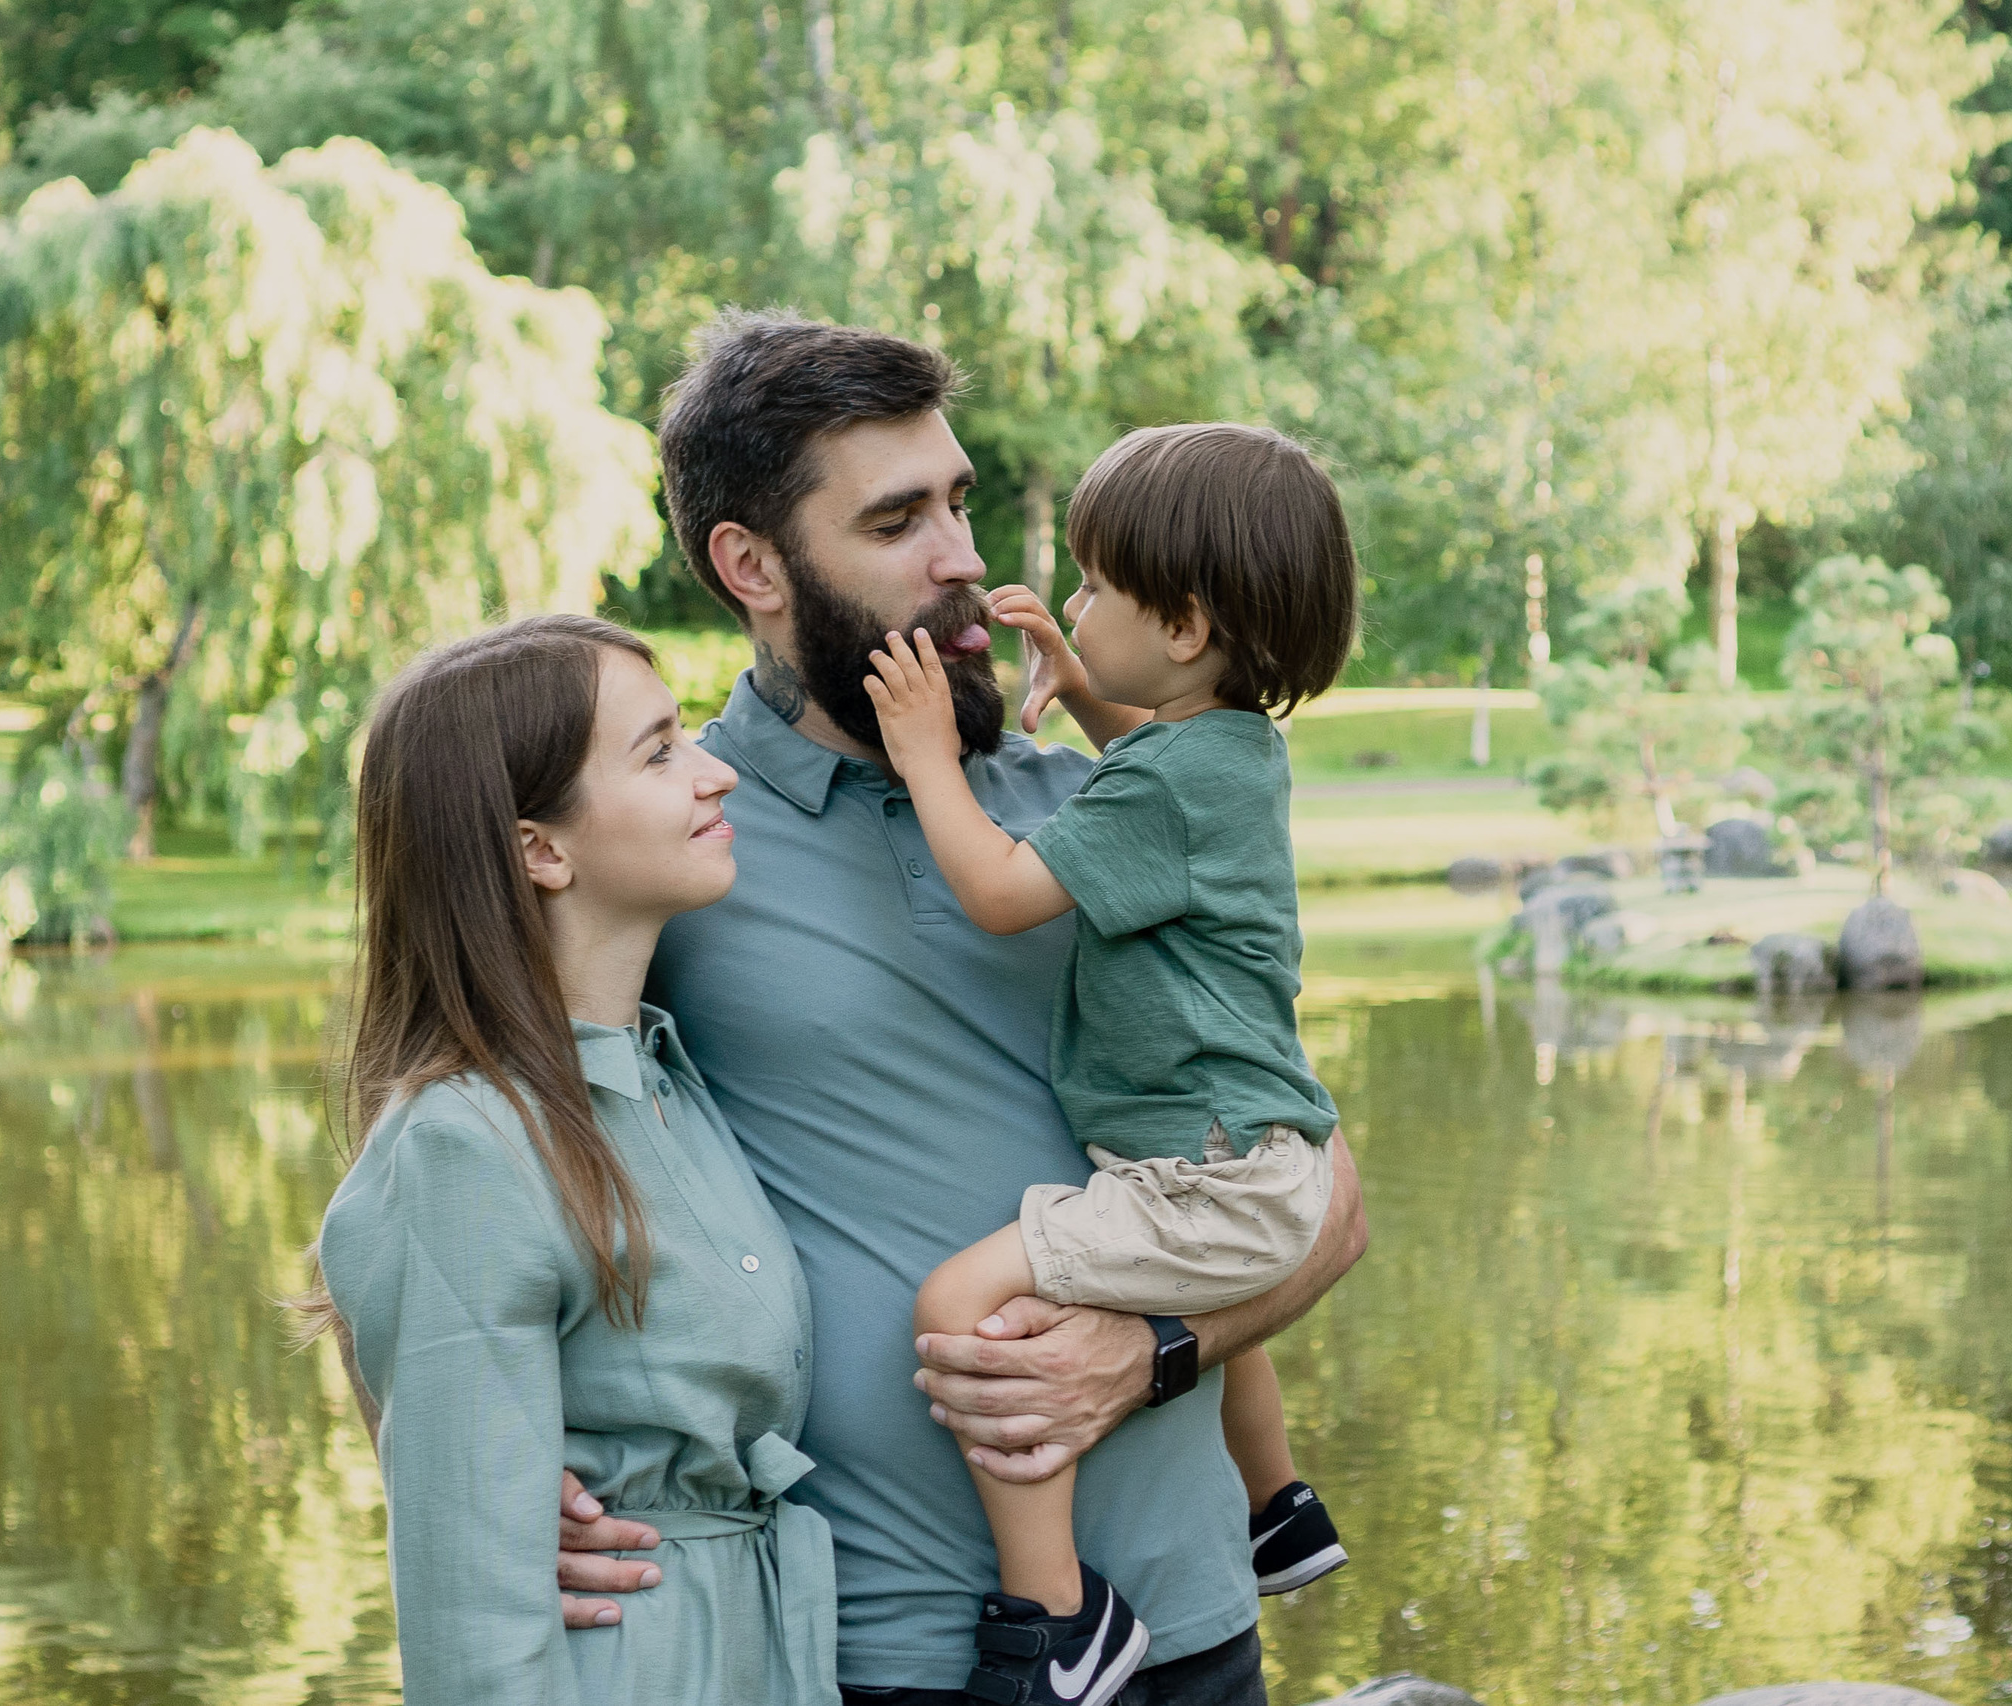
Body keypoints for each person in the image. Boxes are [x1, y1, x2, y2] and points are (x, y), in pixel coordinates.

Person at [608, 311, 1369, 1706]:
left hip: (1196, 1628)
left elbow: (1319, 1189)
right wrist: (511, 1482)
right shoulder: (670, 842)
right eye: (897, 520)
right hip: (888, 1657)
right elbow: (444, 1187)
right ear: (751, 565)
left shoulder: (1100, 802)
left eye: (957, 502)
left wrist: (1145, 1357)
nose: (961, 556)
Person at [862, 423, 1359, 1706]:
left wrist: (926, 753)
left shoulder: (1164, 785)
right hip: (1255, 1155)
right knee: (1210, 1300)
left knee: (958, 1301)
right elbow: (1147, 747)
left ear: (1185, 625)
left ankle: (1059, 1617)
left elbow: (1001, 891)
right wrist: (1083, 679)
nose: (1070, 602)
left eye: (1094, 587)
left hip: (1201, 1170)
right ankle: (1275, 1507)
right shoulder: (1227, 747)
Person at [298, 617, 839, 1705]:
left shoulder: (669, 1081)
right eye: (660, 752)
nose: (717, 773)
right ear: (541, 850)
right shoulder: (464, 1143)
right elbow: (474, 1641)